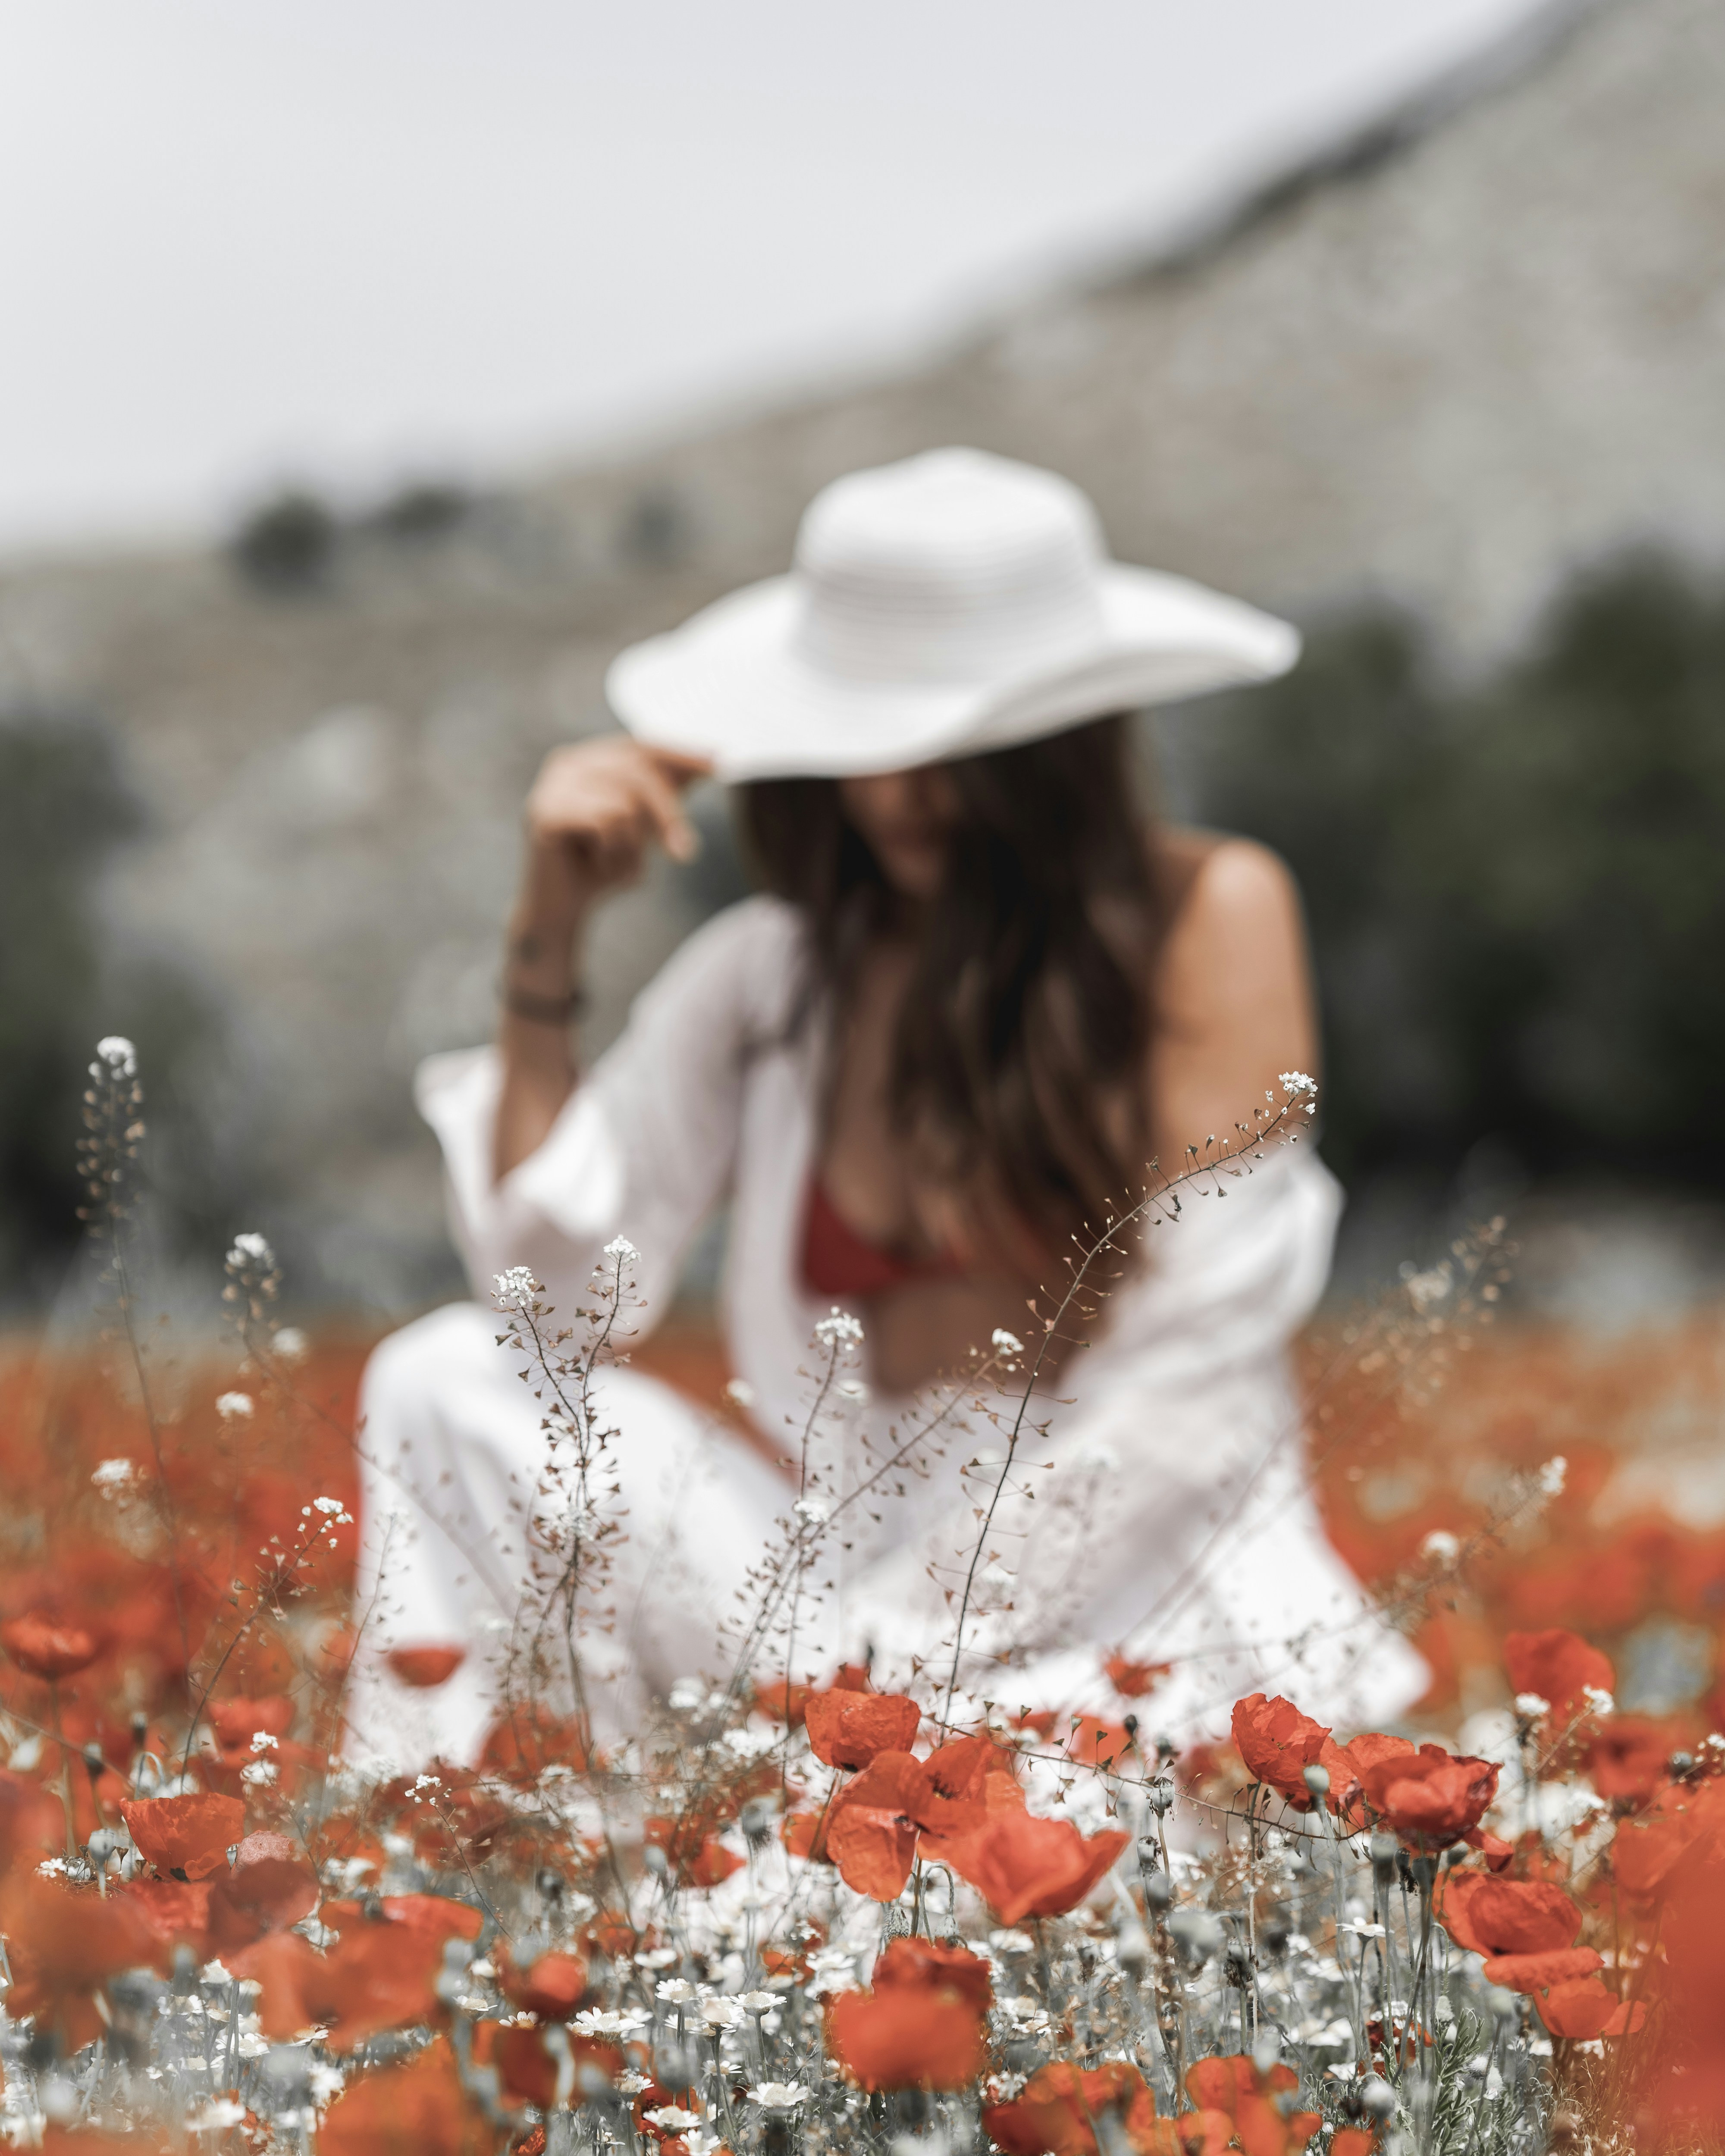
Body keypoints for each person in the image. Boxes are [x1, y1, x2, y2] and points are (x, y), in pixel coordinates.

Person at [348, 448, 1426, 1769]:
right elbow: (554, 1307)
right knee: (447, 1379)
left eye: (960, 748)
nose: (907, 794)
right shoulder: (773, 975)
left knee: (873, 1909)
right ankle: (435, 1860)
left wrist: (897, 1663)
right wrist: (550, 933)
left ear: (1062, 744)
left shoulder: (1209, 917)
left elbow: (1191, 1398)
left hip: (1144, 1611)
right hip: (845, 1603)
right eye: (870, 743)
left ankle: (779, 1816)